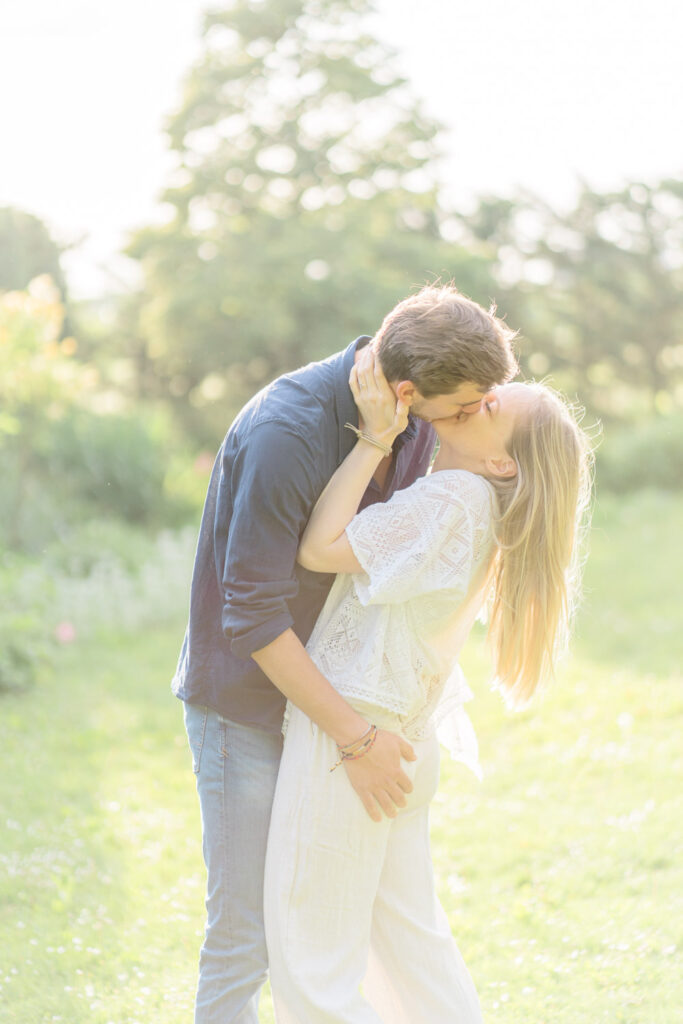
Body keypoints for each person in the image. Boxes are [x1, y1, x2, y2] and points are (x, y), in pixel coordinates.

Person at [173, 284, 518, 1022]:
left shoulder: (417, 421)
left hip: (333, 709)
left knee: (354, 924)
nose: (467, 422)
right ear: (404, 390)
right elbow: (253, 617)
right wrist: (356, 737)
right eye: (460, 408)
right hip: (250, 709)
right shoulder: (286, 431)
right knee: (246, 934)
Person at [263, 359, 593, 1023]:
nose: (474, 402)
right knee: (411, 955)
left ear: (502, 464)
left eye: (492, 408)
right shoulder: (472, 506)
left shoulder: (451, 500)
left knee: (311, 969)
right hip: (399, 739)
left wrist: (372, 441)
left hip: (354, 744)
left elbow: (319, 547)